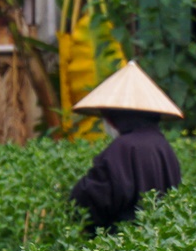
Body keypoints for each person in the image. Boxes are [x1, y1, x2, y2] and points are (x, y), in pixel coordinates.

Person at [66, 60, 183, 231]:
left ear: (114, 118)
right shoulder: (163, 145)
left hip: (125, 245)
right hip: (161, 239)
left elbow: (92, 199)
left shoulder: (122, 148)